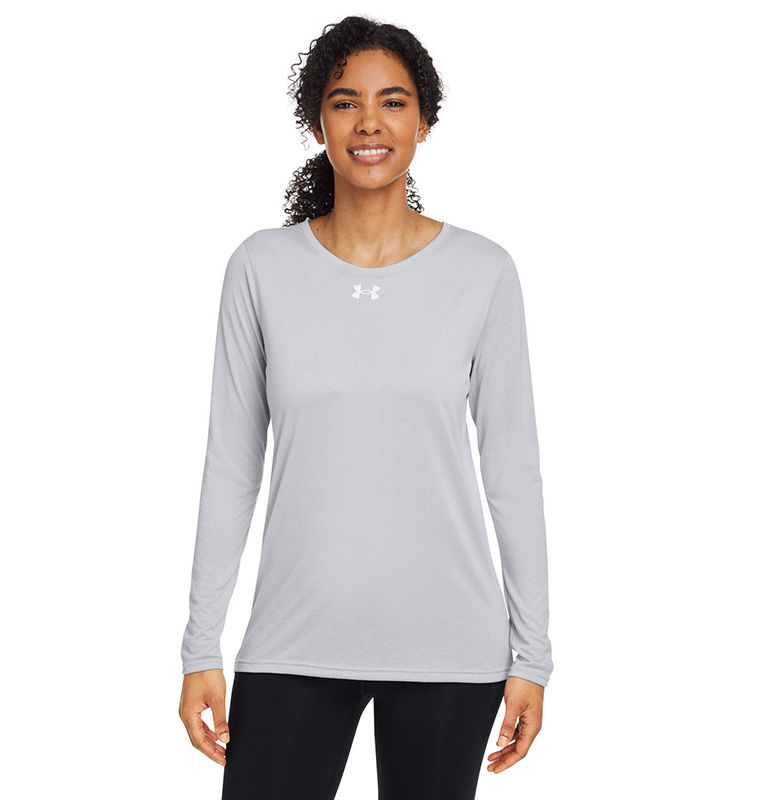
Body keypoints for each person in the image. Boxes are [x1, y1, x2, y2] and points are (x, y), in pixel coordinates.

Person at [178, 15, 553, 799]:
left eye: (394, 102)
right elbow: (231, 466)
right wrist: (200, 645)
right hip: (291, 642)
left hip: (450, 648)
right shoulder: (261, 268)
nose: (370, 123)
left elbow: (512, 471)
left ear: (424, 121)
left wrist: (532, 655)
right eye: (346, 102)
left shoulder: (483, 272)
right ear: (318, 122)